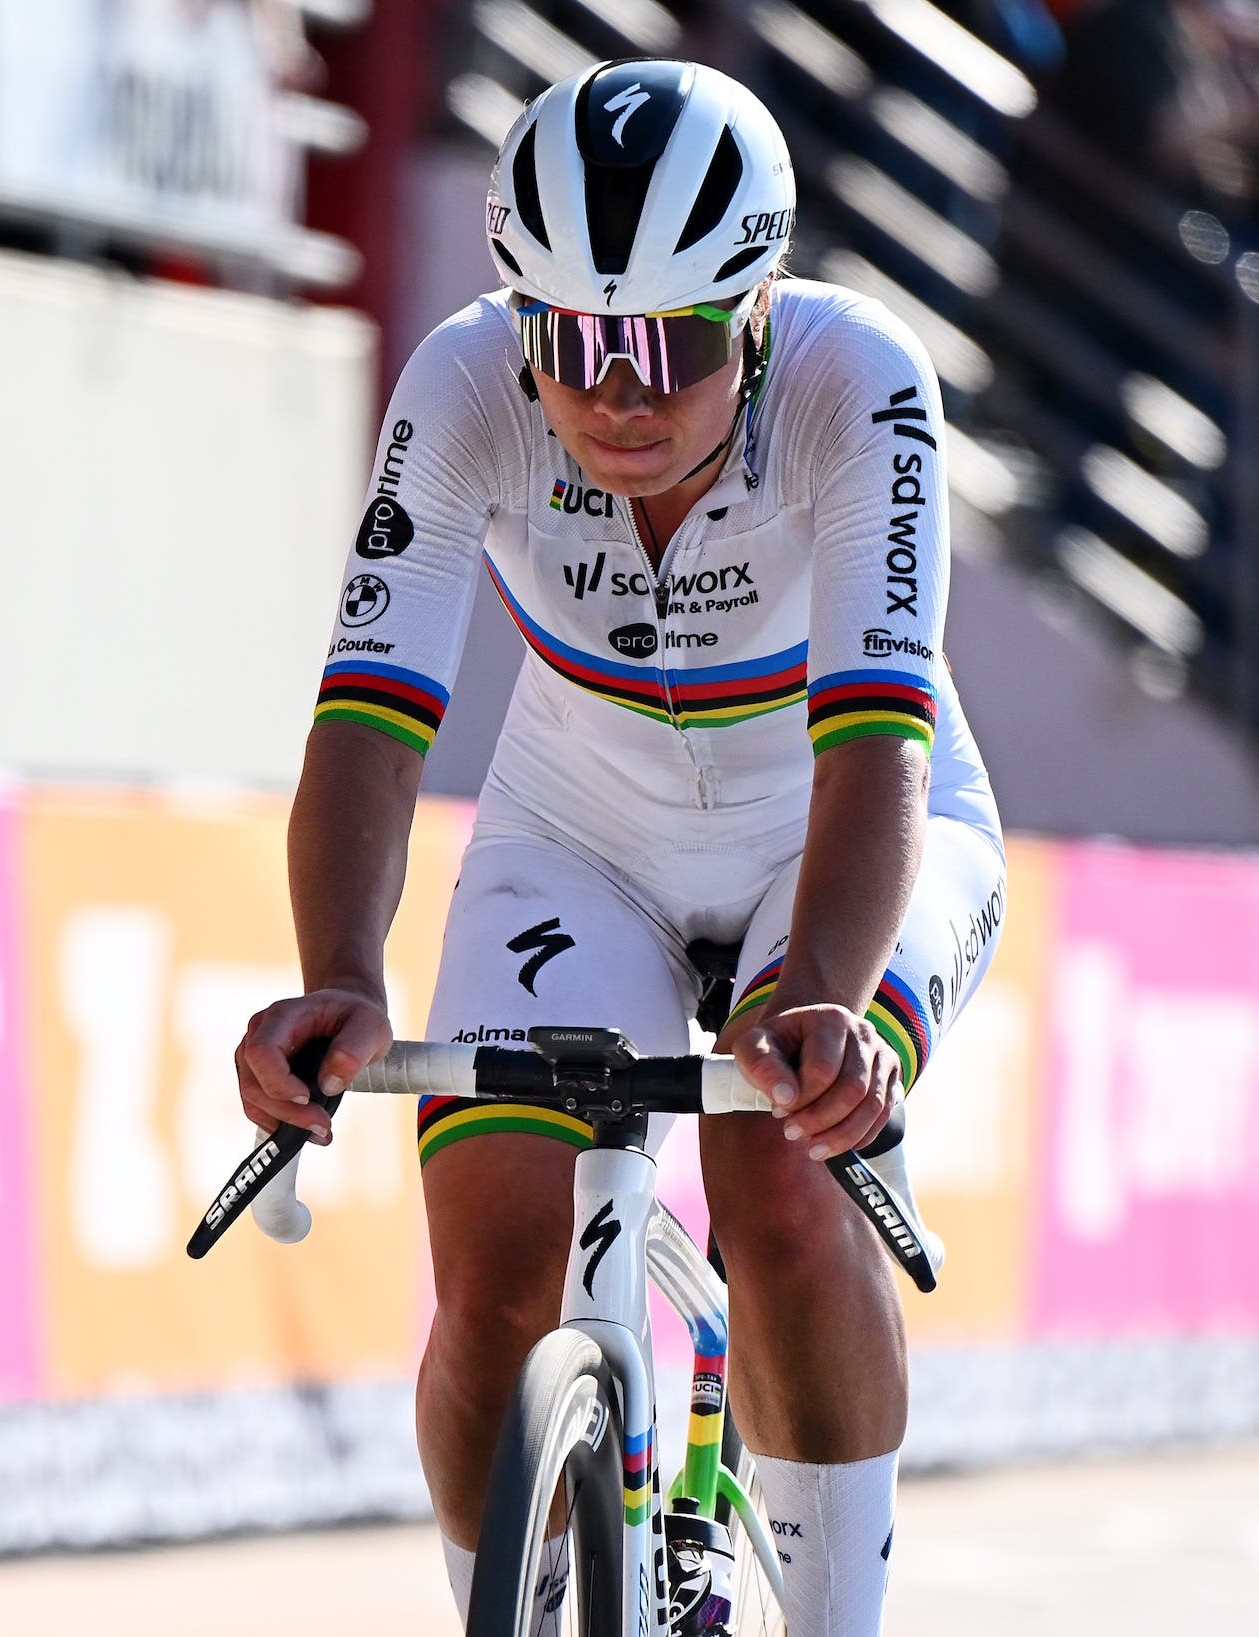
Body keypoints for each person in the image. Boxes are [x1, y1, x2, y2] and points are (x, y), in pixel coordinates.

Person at [232, 58, 1005, 1637]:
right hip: (579, 830)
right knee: (496, 1265)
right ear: (522, 319)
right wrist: (336, 975)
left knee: (783, 1177)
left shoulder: (859, 385)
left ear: (763, 310)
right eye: (576, 343)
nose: (620, 393)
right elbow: (373, 717)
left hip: (843, 833)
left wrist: (833, 1003)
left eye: (674, 343)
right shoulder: (459, 390)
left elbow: (871, 750)